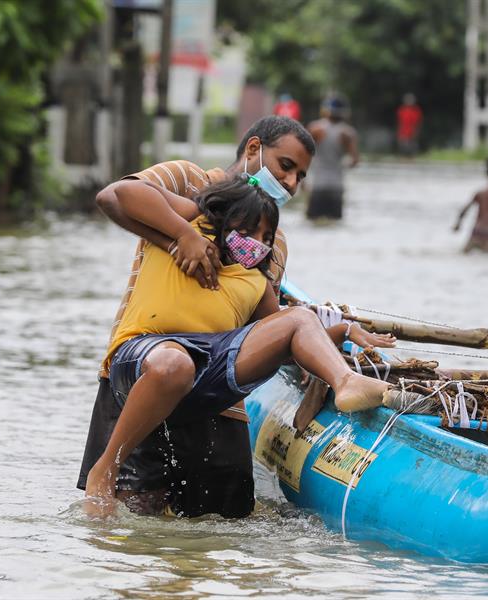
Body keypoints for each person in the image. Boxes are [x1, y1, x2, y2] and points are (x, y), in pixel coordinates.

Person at [83, 177, 397, 516]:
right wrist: (183, 237)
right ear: (222, 220)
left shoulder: (257, 281)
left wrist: (343, 332)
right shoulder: (192, 224)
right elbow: (121, 193)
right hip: (145, 355)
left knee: (298, 319)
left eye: (266, 237)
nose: (258, 244)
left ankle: (346, 382)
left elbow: (284, 343)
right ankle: (106, 467)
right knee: (175, 365)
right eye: (248, 231)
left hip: (207, 369)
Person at [78, 116, 314, 518]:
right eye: (285, 166)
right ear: (254, 149)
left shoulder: (271, 243)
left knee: (219, 528)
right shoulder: (187, 182)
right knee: (133, 515)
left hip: (218, 399)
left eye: (301, 176)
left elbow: (263, 320)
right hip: (148, 368)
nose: (291, 183)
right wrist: (181, 237)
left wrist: (319, 341)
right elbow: (115, 197)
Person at [306, 97, 359, 220]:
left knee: (313, 222)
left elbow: (304, 156)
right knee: (334, 222)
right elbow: (355, 161)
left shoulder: (315, 128)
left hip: (317, 184)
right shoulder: (348, 133)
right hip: (337, 185)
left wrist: (302, 182)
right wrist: (340, 166)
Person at [453, 156, 488, 252]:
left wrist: (458, 224)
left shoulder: (480, 193)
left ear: (486, 173)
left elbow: (464, 210)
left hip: (475, 233)